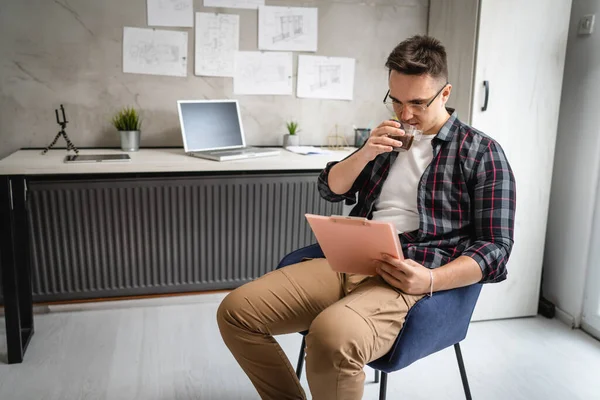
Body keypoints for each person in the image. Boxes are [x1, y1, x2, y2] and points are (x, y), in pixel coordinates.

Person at [217, 35, 516, 400]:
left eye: (418, 103)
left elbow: (497, 247)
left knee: (332, 335)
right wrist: (365, 152)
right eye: (397, 101)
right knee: (236, 313)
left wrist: (431, 280)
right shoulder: (384, 139)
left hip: (409, 273)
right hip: (349, 259)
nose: (405, 115)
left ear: (446, 93)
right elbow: (331, 188)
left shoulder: (482, 152)